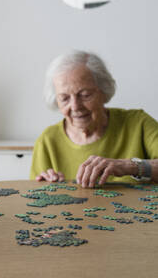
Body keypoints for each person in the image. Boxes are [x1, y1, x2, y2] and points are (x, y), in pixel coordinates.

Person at [30, 50, 158, 188]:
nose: (75, 106)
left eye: (85, 95)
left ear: (104, 90)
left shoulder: (138, 123)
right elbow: (33, 196)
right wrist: (46, 189)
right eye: (64, 98)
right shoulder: (48, 140)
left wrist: (129, 166)